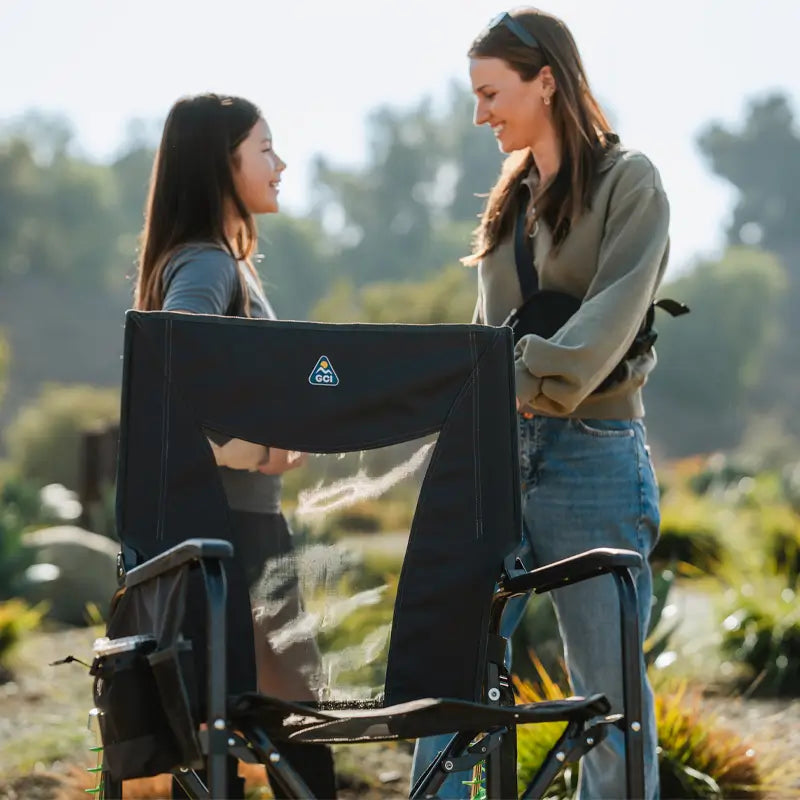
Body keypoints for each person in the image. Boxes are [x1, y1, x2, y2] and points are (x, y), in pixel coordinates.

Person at [412, 9, 665, 799]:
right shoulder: (508, 203)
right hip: (498, 456)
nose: (479, 113)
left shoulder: (633, 183)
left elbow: (607, 322)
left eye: (491, 93)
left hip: (592, 454)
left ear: (546, 79)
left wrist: (513, 382)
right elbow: (486, 336)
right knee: (447, 672)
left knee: (610, 693)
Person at [133, 93, 336, 800]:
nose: (281, 164)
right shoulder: (208, 265)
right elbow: (171, 366)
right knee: (299, 724)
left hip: (227, 530)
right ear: (222, 166)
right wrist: (249, 451)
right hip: (234, 534)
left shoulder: (213, 261)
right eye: (265, 149)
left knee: (239, 725)